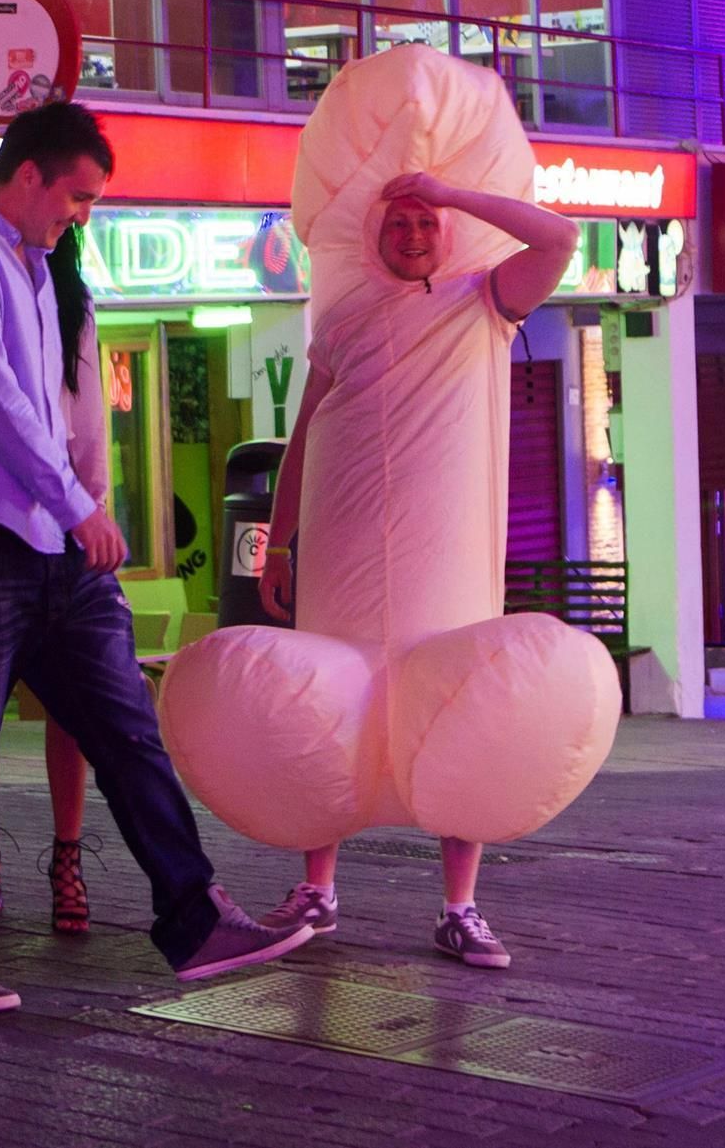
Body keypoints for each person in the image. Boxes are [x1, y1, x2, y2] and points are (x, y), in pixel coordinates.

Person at [0, 102, 313, 1012]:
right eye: (77, 196)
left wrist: (82, 508)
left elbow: (60, 409)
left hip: (52, 549)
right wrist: (80, 506)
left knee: (126, 731)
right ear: (28, 174)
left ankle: (195, 919)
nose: (83, 215)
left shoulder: (35, 267)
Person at [256, 171, 579, 969]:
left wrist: (450, 191)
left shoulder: (484, 301)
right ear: (373, 235)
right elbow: (305, 435)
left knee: (457, 710)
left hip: (447, 549)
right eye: (398, 221)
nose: (412, 233)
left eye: (425, 221)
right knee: (327, 707)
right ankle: (317, 890)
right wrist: (280, 542)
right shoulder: (342, 321)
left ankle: (460, 908)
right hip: (344, 548)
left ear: (448, 230)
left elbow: (559, 238)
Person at [0, 225, 100, 934]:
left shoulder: (70, 302)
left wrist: (91, 509)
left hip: (54, 526)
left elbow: (88, 422)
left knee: (63, 707)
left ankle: (58, 856)